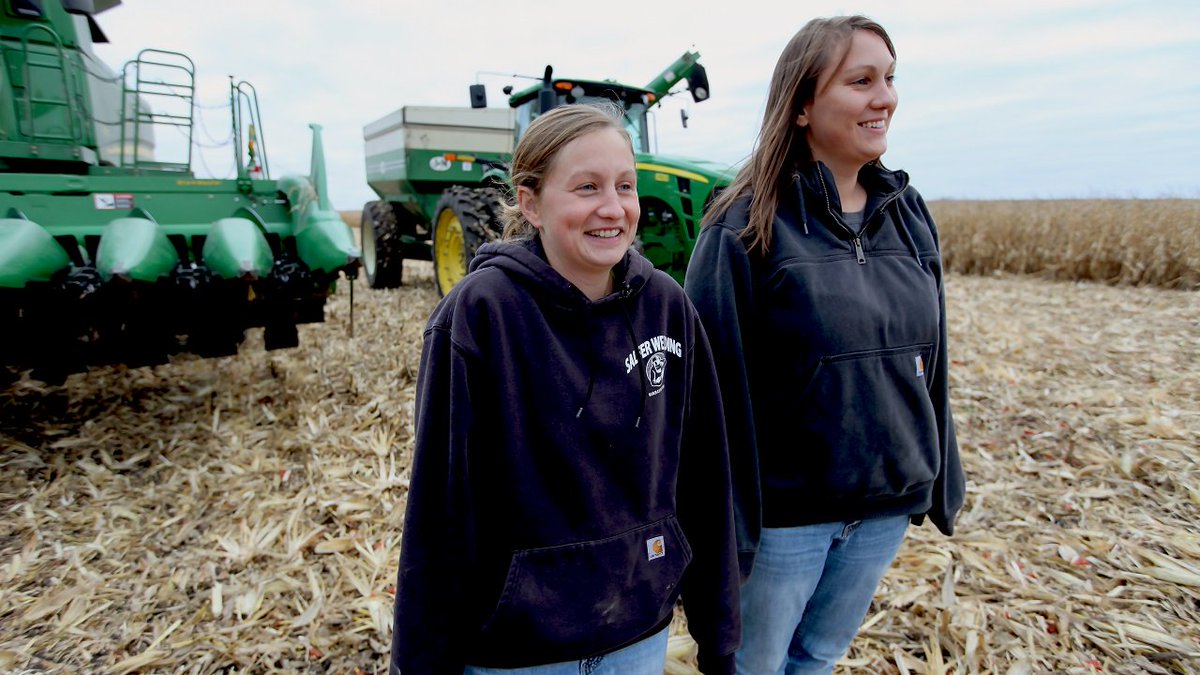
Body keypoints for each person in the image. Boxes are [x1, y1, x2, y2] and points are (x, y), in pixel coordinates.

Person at [390, 103, 741, 675]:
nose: (613, 208)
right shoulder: (480, 316)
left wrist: (719, 634)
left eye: (625, 186)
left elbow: (705, 479)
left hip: (639, 634)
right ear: (530, 202)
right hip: (518, 653)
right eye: (586, 187)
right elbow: (440, 508)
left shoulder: (668, 308)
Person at [684, 15, 966, 675]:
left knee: (817, 658)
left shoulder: (906, 210)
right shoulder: (743, 225)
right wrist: (728, 529)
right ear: (804, 105)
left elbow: (934, 358)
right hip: (785, 521)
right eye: (861, 80)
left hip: (885, 505)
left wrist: (937, 475)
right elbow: (710, 396)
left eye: (890, 79)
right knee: (752, 668)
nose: (885, 97)